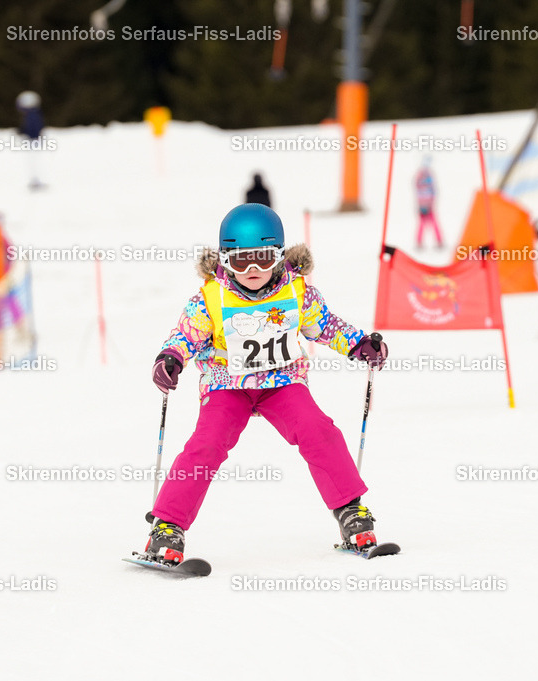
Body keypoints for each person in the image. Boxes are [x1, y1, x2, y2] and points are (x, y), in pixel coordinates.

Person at [143, 204, 390, 564]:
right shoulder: (211, 298)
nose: (253, 270)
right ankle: (167, 526)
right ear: (224, 261)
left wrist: (358, 344)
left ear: (279, 256)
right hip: (227, 384)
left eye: (263, 258)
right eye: (241, 261)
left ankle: (351, 510)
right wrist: (171, 357)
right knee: (206, 444)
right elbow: (185, 335)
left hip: (282, 381)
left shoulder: (297, 292)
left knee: (317, 429)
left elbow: (325, 326)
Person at [16, 91, 46, 190]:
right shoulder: (33, 114)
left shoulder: (32, 115)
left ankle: (35, 180)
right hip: (34, 141)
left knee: (34, 162)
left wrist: (26, 133)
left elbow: (33, 129)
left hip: (33, 142)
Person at [414, 157, 443, 248]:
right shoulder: (422, 176)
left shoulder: (427, 175)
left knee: (431, 224)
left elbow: (433, 191)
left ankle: (438, 241)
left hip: (428, 205)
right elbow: (423, 191)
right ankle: (420, 242)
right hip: (424, 205)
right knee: (424, 224)